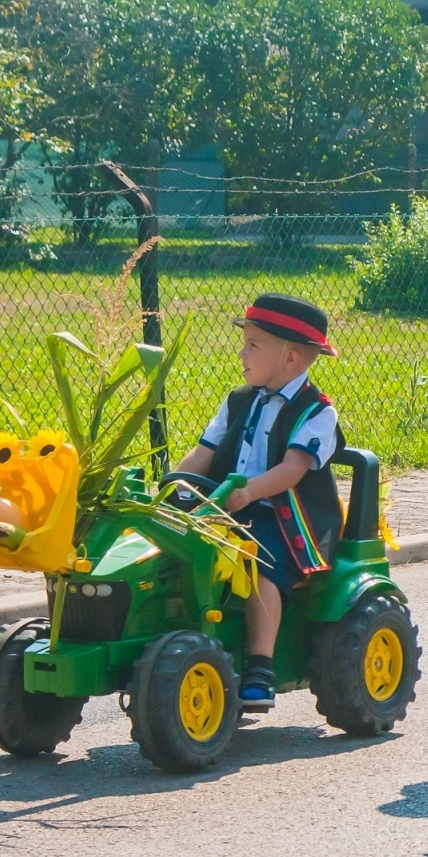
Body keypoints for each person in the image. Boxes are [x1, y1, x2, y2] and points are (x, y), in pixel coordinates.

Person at [175, 293, 342, 711]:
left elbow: (293, 469)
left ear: (289, 358)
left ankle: (261, 666)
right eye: (244, 342)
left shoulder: (317, 412)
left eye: (252, 345)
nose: (241, 353)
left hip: (286, 517)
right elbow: (204, 453)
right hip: (226, 504)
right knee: (173, 543)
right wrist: (176, 485)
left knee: (258, 562)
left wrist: (249, 492)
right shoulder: (239, 401)